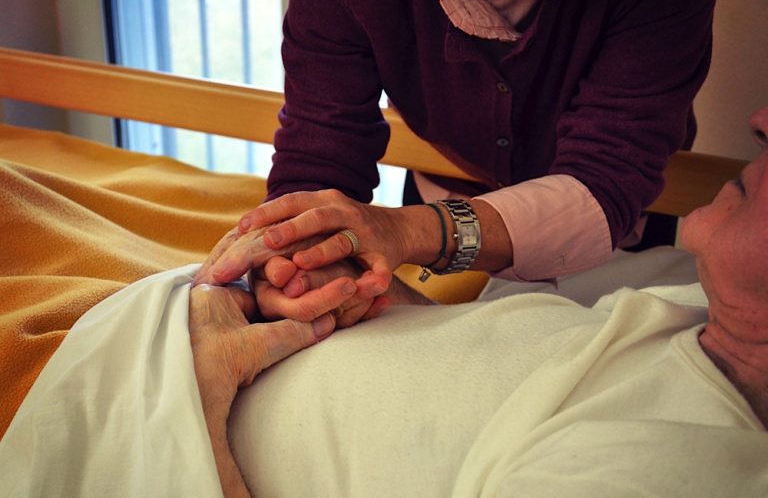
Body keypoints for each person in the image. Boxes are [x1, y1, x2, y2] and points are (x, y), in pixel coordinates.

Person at [190, 106, 768, 497]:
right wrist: (355, 280)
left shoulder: (664, 464)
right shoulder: (683, 302)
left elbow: (604, 180)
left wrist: (199, 425)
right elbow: (477, 354)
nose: (760, 121)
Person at [195, 0, 719, 321]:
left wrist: (405, 232)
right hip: (434, 210)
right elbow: (320, 152)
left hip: (619, 241)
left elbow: (606, 179)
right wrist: (298, 260)